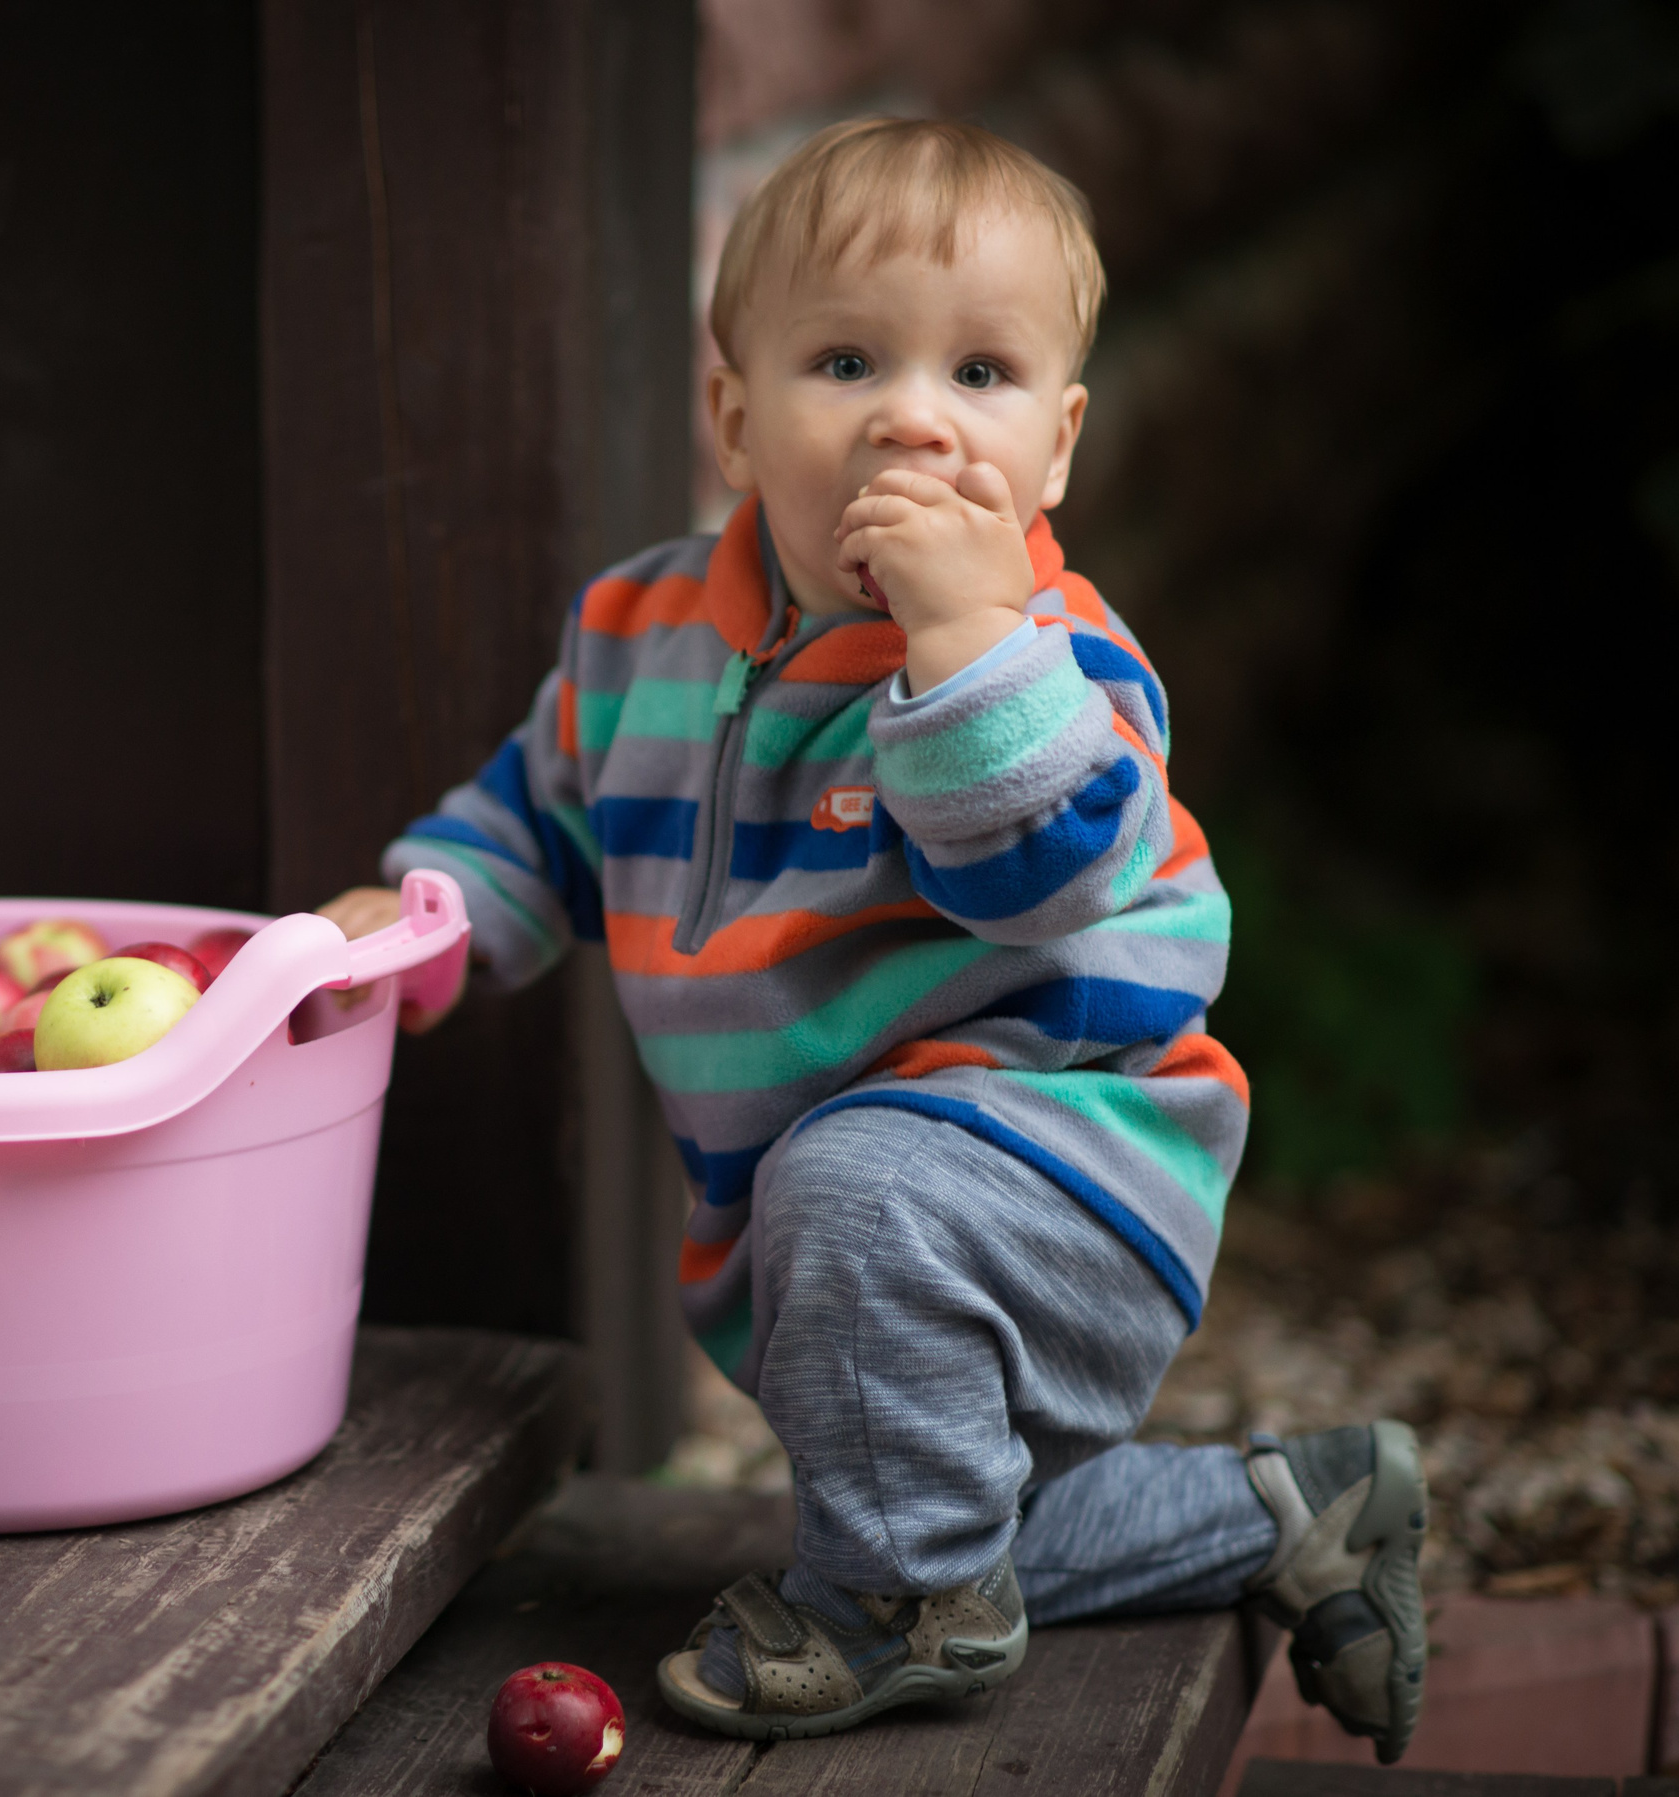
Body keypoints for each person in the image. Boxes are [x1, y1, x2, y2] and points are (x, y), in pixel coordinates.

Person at [318, 118, 1426, 1759]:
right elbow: (539, 816)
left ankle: (894, 1610)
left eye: (980, 374)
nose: (914, 414)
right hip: (838, 1218)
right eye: (848, 360)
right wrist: (417, 921)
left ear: (1054, 451)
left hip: (1064, 1164)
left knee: (855, 1235)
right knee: (963, 1503)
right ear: (735, 417)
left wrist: (960, 645)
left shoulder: (1057, 668)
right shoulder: (635, 635)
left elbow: (1038, 879)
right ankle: (1290, 1509)